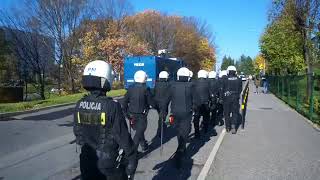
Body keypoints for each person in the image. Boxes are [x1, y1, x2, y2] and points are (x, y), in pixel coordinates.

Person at [74, 60, 137, 180]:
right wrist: (132, 157)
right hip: (107, 163)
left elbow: (77, 132)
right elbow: (122, 136)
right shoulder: (111, 106)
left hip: (86, 161)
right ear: (105, 79)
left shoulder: (79, 104)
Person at [167, 67, 194, 167]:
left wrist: (163, 110)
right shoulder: (191, 85)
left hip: (175, 113)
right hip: (186, 113)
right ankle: (180, 151)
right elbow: (195, 99)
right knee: (185, 132)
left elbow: (167, 98)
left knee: (180, 132)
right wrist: (195, 108)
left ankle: (181, 148)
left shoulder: (172, 85)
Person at [122, 70, 154, 152]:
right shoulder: (146, 88)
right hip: (141, 115)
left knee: (139, 131)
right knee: (139, 132)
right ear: (144, 78)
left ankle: (143, 146)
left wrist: (126, 114)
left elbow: (124, 102)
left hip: (131, 114)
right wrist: (156, 107)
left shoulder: (130, 88)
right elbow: (151, 102)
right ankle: (131, 151)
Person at [193, 70, 217, 138]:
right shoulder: (208, 83)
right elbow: (211, 94)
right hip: (205, 103)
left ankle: (197, 132)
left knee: (196, 118)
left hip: (196, 104)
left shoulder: (193, 82)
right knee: (206, 117)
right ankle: (205, 129)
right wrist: (213, 103)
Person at [222, 66, 242, 134]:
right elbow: (240, 89)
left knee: (226, 113)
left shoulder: (225, 79)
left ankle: (227, 127)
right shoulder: (239, 79)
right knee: (235, 113)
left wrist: (222, 97)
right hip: (235, 98)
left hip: (226, 98)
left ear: (228, 71)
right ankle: (233, 126)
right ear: (235, 71)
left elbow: (222, 89)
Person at [153, 71, 171, 138]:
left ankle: (162, 126)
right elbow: (170, 94)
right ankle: (160, 131)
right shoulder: (169, 84)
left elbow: (154, 93)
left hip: (157, 103)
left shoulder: (156, 84)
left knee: (161, 116)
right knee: (162, 117)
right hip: (164, 103)